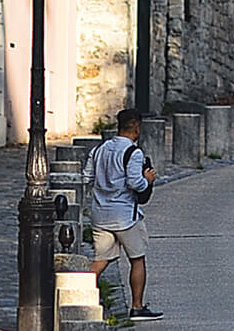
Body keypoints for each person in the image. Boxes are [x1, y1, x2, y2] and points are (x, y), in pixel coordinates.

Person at [83, 108, 162, 320]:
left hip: (100, 214)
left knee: (101, 260)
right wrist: (148, 179)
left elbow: (87, 176)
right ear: (136, 128)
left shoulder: (99, 149)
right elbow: (135, 183)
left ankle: (77, 294)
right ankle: (137, 306)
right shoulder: (134, 153)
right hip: (125, 216)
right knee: (137, 259)